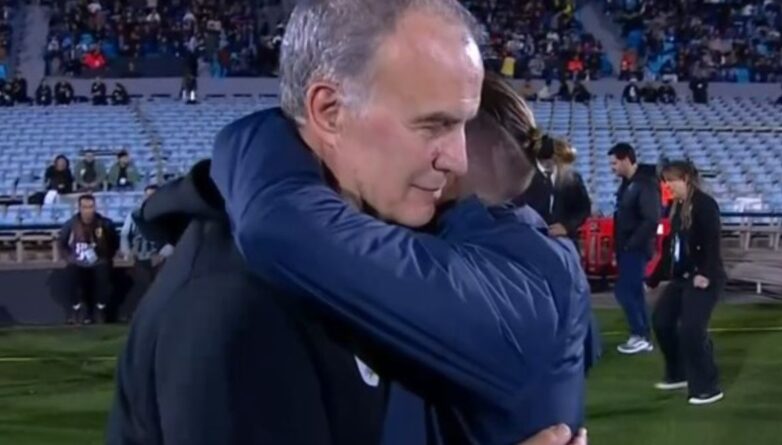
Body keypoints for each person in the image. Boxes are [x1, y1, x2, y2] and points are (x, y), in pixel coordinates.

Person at [108, 2, 587, 444]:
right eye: (433, 125)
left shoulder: (367, 251)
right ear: (328, 111)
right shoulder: (234, 304)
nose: (457, 159)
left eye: (462, 125)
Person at [647, 160, 725, 406]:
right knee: (661, 321)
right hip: (683, 278)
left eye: (671, 180)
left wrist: (705, 273)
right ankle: (678, 372)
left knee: (692, 329)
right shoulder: (677, 207)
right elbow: (672, 249)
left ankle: (707, 386)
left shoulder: (704, 205)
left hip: (704, 277)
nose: (667, 185)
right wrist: (654, 278)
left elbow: (713, 243)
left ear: (686, 180)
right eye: (665, 181)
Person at [608, 142, 661, 355]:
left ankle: (639, 333)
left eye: (614, 163)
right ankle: (642, 336)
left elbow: (651, 219)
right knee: (634, 292)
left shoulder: (645, 184)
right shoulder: (629, 183)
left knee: (625, 291)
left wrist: (631, 244)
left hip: (635, 248)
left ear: (626, 160)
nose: (612, 167)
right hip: (628, 246)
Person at [514, 136, 591, 242]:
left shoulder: (573, 177)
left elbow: (583, 209)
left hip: (564, 241)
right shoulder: (523, 178)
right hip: (531, 239)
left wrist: (567, 226)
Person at [57, 194, 119, 324]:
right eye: (85, 207)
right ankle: (77, 310)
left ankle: (100, 310)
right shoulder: (71, 224)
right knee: (71, 278)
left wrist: (107, 256)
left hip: (99, 261)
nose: (88, 210)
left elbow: (114, 241)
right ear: (79, 208)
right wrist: (69, 258)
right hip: (77, 262)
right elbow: (61, 243)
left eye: (91, 207)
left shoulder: (104, 223)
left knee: (104, 280)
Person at [119, 185, 172, 318]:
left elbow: (174, 239)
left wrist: (162, 254)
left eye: (153, 196)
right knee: (142, 282)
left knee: (162, 280)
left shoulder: (168, 215)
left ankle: (162, 312)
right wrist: (127, 252)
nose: (150, 199)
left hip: (161, 255)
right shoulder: (135, 214)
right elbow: (125, 235)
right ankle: (145, 313)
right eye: (147, 196)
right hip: (139, 255)